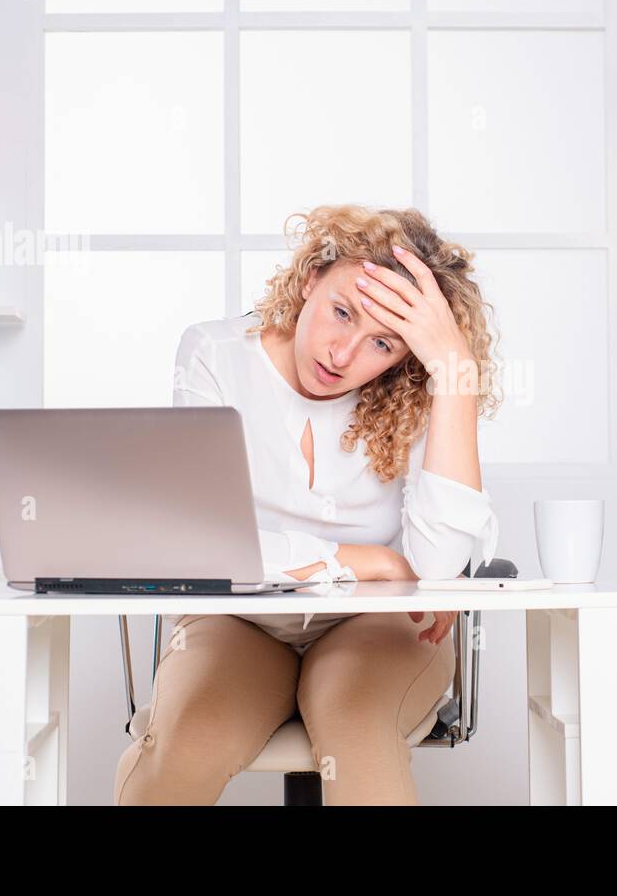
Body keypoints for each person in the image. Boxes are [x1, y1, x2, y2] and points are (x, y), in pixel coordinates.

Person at [113, 204, 502, 805]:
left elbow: (439, 570)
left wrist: (454, 373)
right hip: (239, 620)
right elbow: (204, 545)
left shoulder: (421, 388)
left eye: (382, 342)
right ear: (309, 279)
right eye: (341, 312)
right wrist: (362, 558)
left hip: (380, 626)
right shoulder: (215, 356)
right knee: (187, 745)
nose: (343, 354)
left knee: (357, 732)